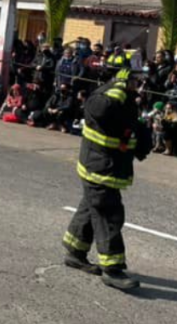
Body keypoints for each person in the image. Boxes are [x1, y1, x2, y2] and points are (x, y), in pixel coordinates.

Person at [62, 69, 152, 290]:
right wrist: (121, 91)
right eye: (134, 82)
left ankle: (75, 251)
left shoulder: (121, 101)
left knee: (91, 207)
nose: (138, 87)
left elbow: (127, 127)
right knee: (109, 214)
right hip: (100, 168)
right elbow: (103, 111)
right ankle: (113, 269)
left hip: (104, 166)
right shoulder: (105, 100)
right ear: (122, 81)